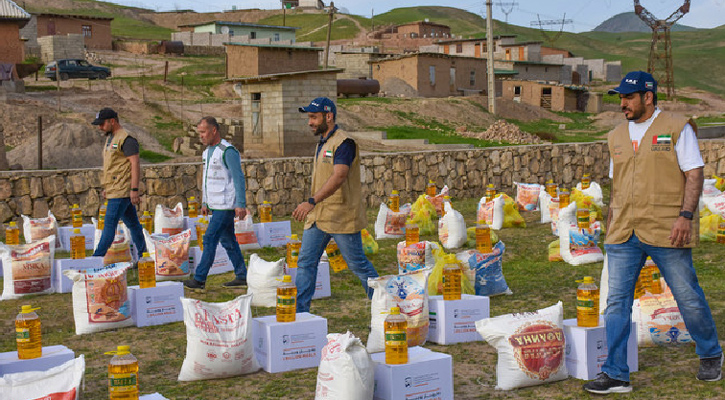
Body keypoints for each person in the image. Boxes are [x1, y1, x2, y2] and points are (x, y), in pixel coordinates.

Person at [583, 71, 722, 394]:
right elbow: (618, 183)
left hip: (666, 228)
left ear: (648, 97)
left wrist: (686, 216)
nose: (623, 104)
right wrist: (610, 222)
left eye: (628, 97)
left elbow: (694, 173)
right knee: (616, 303)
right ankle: (616, 373)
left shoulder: (676, 128)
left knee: (687, 295)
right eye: (620, 97)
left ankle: (711, 353)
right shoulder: (616, 135)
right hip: (623, 233)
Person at [292, 97, 379, 312]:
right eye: (309, 117)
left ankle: (385, 306)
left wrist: (311, 201)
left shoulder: (344, 143)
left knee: (358, 265)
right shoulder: (323, 143)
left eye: (314, 117)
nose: (310, 122)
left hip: (340, 216)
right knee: (305, 263)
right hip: (319, 217)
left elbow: (339, 176)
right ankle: (300, 313)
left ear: (328, 116)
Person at [184, 117, 248, 290]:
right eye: (199, 133)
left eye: (203, 132)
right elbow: (207, 180)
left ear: (214, 130)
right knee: (228, 241)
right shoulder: (206, 152)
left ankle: (199, 279)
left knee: (210, 238)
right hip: (215, 205)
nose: (201, 136)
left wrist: (240, 203)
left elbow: (238, 178)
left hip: (226, 205)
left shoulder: (228, 151)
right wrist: (205, 202)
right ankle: (242, 275)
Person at [91, 107, 147, 260]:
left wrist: (134, 189)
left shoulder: (126, 139)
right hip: (115, 189)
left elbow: (135, 164)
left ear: (112, 121)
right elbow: (113, 166)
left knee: (109, 225)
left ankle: (95, 260)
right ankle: (144, 256)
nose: (100, 127)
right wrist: (107, 187)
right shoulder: (111, 138)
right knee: (134, 225)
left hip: (122, 190)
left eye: (102, 124)